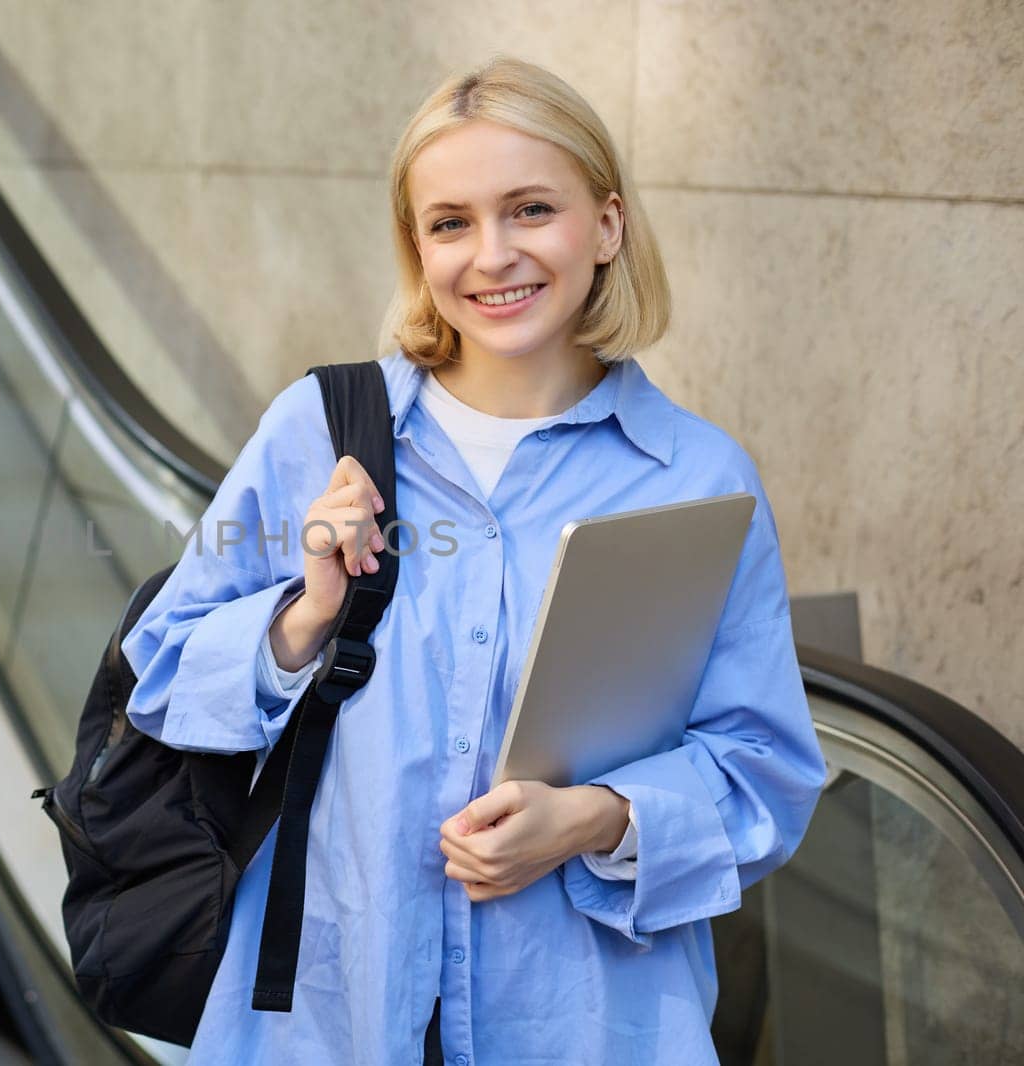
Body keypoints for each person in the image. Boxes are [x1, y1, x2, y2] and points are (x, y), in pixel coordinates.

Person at [119, 54, 828, 1066]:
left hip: (586, 1026)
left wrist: (592, 821)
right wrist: (301, 617)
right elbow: (162, 673)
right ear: (417, 247)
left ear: (607, 225)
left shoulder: (698, 477)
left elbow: (764, 774)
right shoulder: (319, 432)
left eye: (531, 209)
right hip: (324, 1018)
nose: (491, 255)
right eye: (450, 222)